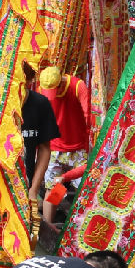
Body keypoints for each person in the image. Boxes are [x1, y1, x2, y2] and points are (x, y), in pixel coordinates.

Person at [35, 65, 90, 225]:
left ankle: (83, 228)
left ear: (61, 81)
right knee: (54, 191)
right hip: (54, 149)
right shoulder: (41, 88)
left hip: (78, 149)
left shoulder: (77, 86)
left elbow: (89, 115)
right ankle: (49, 229)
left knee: (86, 190)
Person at [18, 65, 60, 207]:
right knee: (55, 186)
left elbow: (86, 117)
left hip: (75, 150)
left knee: (69, 185)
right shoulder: (40, 100)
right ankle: (48, 218)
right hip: (55, 150)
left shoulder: (78, 89)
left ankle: (53, 220)